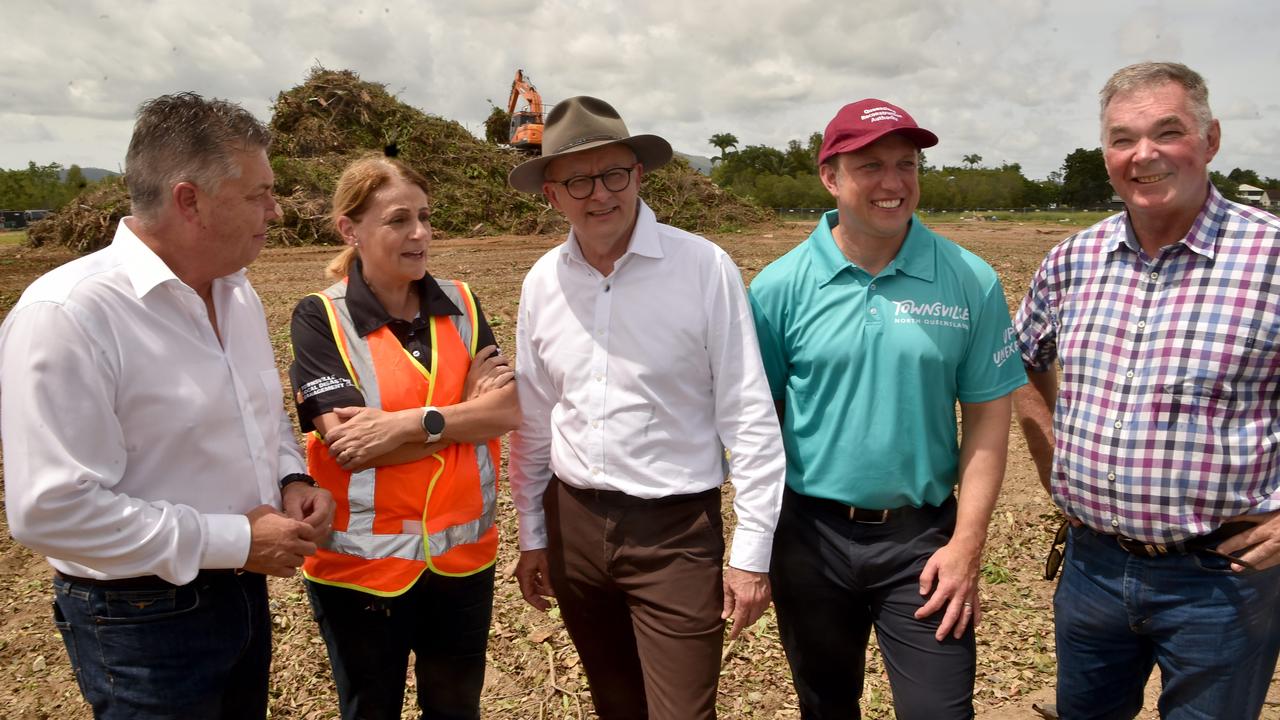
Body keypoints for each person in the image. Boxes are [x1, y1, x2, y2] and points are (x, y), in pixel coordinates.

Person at [0, 92, 334, 719]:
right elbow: (50, 511)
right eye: (258, 194)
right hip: (139, 620)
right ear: (190, 201)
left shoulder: (237, 295)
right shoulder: (68, 316)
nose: (276, 208)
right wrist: (234, 539)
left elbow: (257, 418)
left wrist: (291, 477)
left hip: (241, 589)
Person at [505, 95, 786, 720]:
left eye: (614, 175)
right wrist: (533, 535)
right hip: (574, 524)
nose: (599, 194)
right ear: (551, 195)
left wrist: (750, 554)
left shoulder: (703, 268)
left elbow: (749, 414)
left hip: (676, 534)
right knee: (615, 704)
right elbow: (532, 420)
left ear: (639, 176)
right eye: (577, 180)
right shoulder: (542, 283)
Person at [1014, 61, 1280, 720]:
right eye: (1123, 138)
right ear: (1106, 154)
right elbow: (1020, 362)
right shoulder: (1073, 260)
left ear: (1210, 139)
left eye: (1168, 132)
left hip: (1222, 580)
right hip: (1091, 569)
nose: (1144, 154)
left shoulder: (1271, 258)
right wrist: (1057, 469)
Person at [748, 99, 1026, 719]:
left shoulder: (968, 280)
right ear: (830, 176)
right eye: (870, 165)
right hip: (809, 538)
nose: (893, 182)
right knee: (825, 706)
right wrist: (752, 544)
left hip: (923, 540)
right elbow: (755, 424)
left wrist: (967, 545)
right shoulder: (777, 288)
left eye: (907, 164)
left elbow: (986, 420)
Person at [287, 154, 520, 720]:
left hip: (462, 564)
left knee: (457, 709)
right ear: (350, 229)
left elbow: (509, 409)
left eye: (424, 216)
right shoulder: (321, 318)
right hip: (363, 574)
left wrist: (410, 424)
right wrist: (466, 410)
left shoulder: (462, 304)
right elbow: (350, 443)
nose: (419, 233)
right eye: (397, 220)